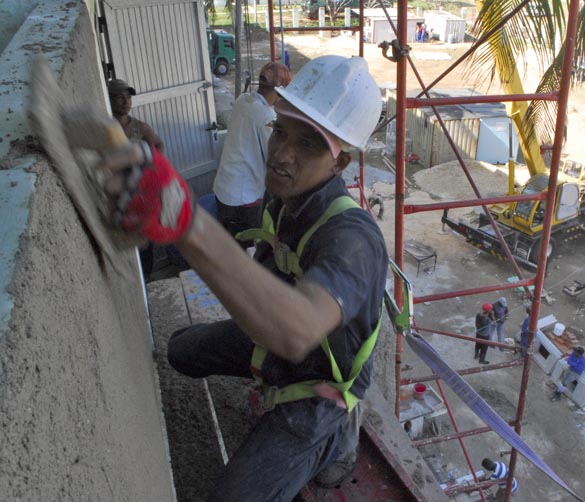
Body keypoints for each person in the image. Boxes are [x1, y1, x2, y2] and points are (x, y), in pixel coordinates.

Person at [96, 55, 387, 501]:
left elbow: (297, 331)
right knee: (180, 352)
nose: (283, 154)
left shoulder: (352, 240)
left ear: (340, 161)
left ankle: (333, 438)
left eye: (308, 144)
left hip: (321, 382)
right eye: (281, 131)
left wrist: (186, 222)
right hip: (275, 344)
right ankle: (273, 383)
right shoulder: (286, 201)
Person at [213, 62, 292, 240]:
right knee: (247, 247)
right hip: (244, 196)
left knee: (230, 244)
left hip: (224, 187)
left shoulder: (243, 100)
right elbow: (274, 156)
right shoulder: (264, 115)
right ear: (279, 90)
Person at [107, 78, 165, 277]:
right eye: (120, 98)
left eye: (128, 97)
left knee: (144, 243)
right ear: (109, 100)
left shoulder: (141, 128)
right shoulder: (106, 128)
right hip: (116, 197)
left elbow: (158, 146)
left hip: (139, 195)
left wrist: (151, 170)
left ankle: (146, 280)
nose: (126, 102)